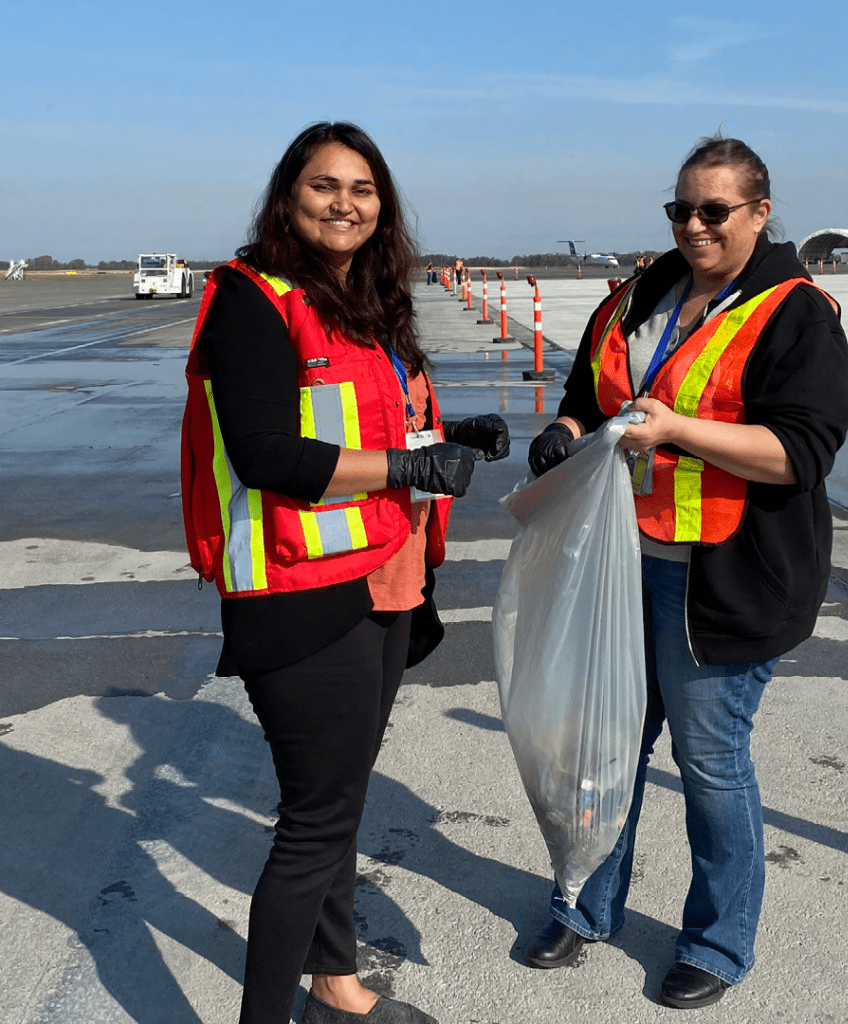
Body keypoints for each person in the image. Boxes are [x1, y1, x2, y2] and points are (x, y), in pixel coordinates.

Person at [181, 122, 510, 1024]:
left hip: (385, 582)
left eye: (362, 189)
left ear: (383, 206)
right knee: (313, 824)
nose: (344, 202)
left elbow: (367, 423)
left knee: (342, 800)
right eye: (324, 185)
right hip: (301, 590)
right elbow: (267, 453)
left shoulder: (366, 299)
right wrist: (410, 471)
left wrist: (447, 436)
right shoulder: (253, 298)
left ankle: (336, 986)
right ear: (289, 195)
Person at [524, 136, 848, 1009]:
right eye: (680, 209)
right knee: (605, 751)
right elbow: (588, 395)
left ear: (760, 212)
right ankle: (586, 905)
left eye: (714, 211)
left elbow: (800, 452)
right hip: (620, 565)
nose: (694, 225)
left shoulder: (796, 311)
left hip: (723, 580)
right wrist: (562, 433)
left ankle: (716, 942)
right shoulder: (641, 293)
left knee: (710, 762)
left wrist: (674, 431)